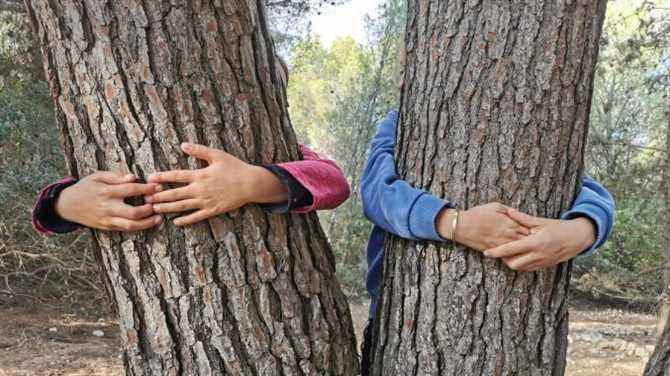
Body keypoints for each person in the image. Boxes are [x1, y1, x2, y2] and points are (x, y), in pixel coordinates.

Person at [358, 110, 615, 372]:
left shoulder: (543, 125)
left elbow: (589, 190)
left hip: (528, 339)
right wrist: (452, 222)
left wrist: (582, 230)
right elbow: (374, 190)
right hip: (393, 325)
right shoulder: (400, 118)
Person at [33, 57, 350, 235]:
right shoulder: (102, 142)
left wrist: (253, 182)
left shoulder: (288, 150)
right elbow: (44, 212)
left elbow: (334, 182)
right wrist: (63, 204)